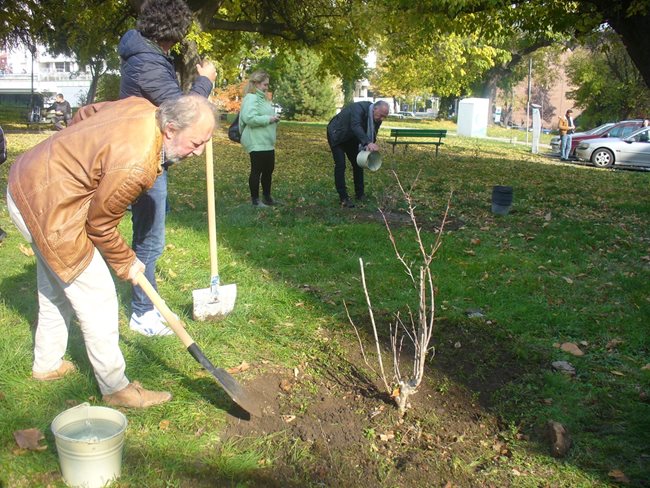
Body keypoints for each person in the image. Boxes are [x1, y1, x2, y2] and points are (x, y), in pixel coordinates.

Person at [7, 95, 216, 408]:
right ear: (170, 129)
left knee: (55, 286)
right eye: (196, 142)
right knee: (99, 296)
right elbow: (100, 225)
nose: (199, 152)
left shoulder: (142, 107)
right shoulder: (137, 164)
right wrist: (127, 262)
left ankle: (46, 364)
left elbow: (86, 113)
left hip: (27, 179)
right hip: (47, 207)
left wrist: (75, 160)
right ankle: (116, 388)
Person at [118, 0, 217, 336]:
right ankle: (143, 313)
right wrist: (205, 81)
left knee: (150, 235)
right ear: (174, 32)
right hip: (142, 158)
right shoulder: (147, 62)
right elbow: (181, 109)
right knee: (149, 238)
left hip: (143, 153)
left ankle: (149, 303)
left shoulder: (146, 55)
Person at [327, 100, 389, 207]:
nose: (382, 119)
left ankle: (360, 194)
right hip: (337, 134)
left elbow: (374, 132)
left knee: (358, 164)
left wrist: (370, 145)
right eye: (381, 115)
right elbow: (355, 126)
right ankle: (343, 198)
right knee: (341, 165)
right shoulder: (358, 108)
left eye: (385, 117)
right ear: (375, 108)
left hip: (351, 138)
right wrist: (367, 142)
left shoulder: (377, 117)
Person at [239, 70, 280, 207]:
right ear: (256, 83)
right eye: (264, 84)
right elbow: (249, 118)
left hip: (267, 142)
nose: (266, 87)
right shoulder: (251, 98)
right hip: (256, 141)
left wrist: (272, 119)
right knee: (257, 170)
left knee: (269, 170)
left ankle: (267, 197)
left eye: (267, 85)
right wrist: (269, 119)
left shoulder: (263, 99)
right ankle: (256, 200)